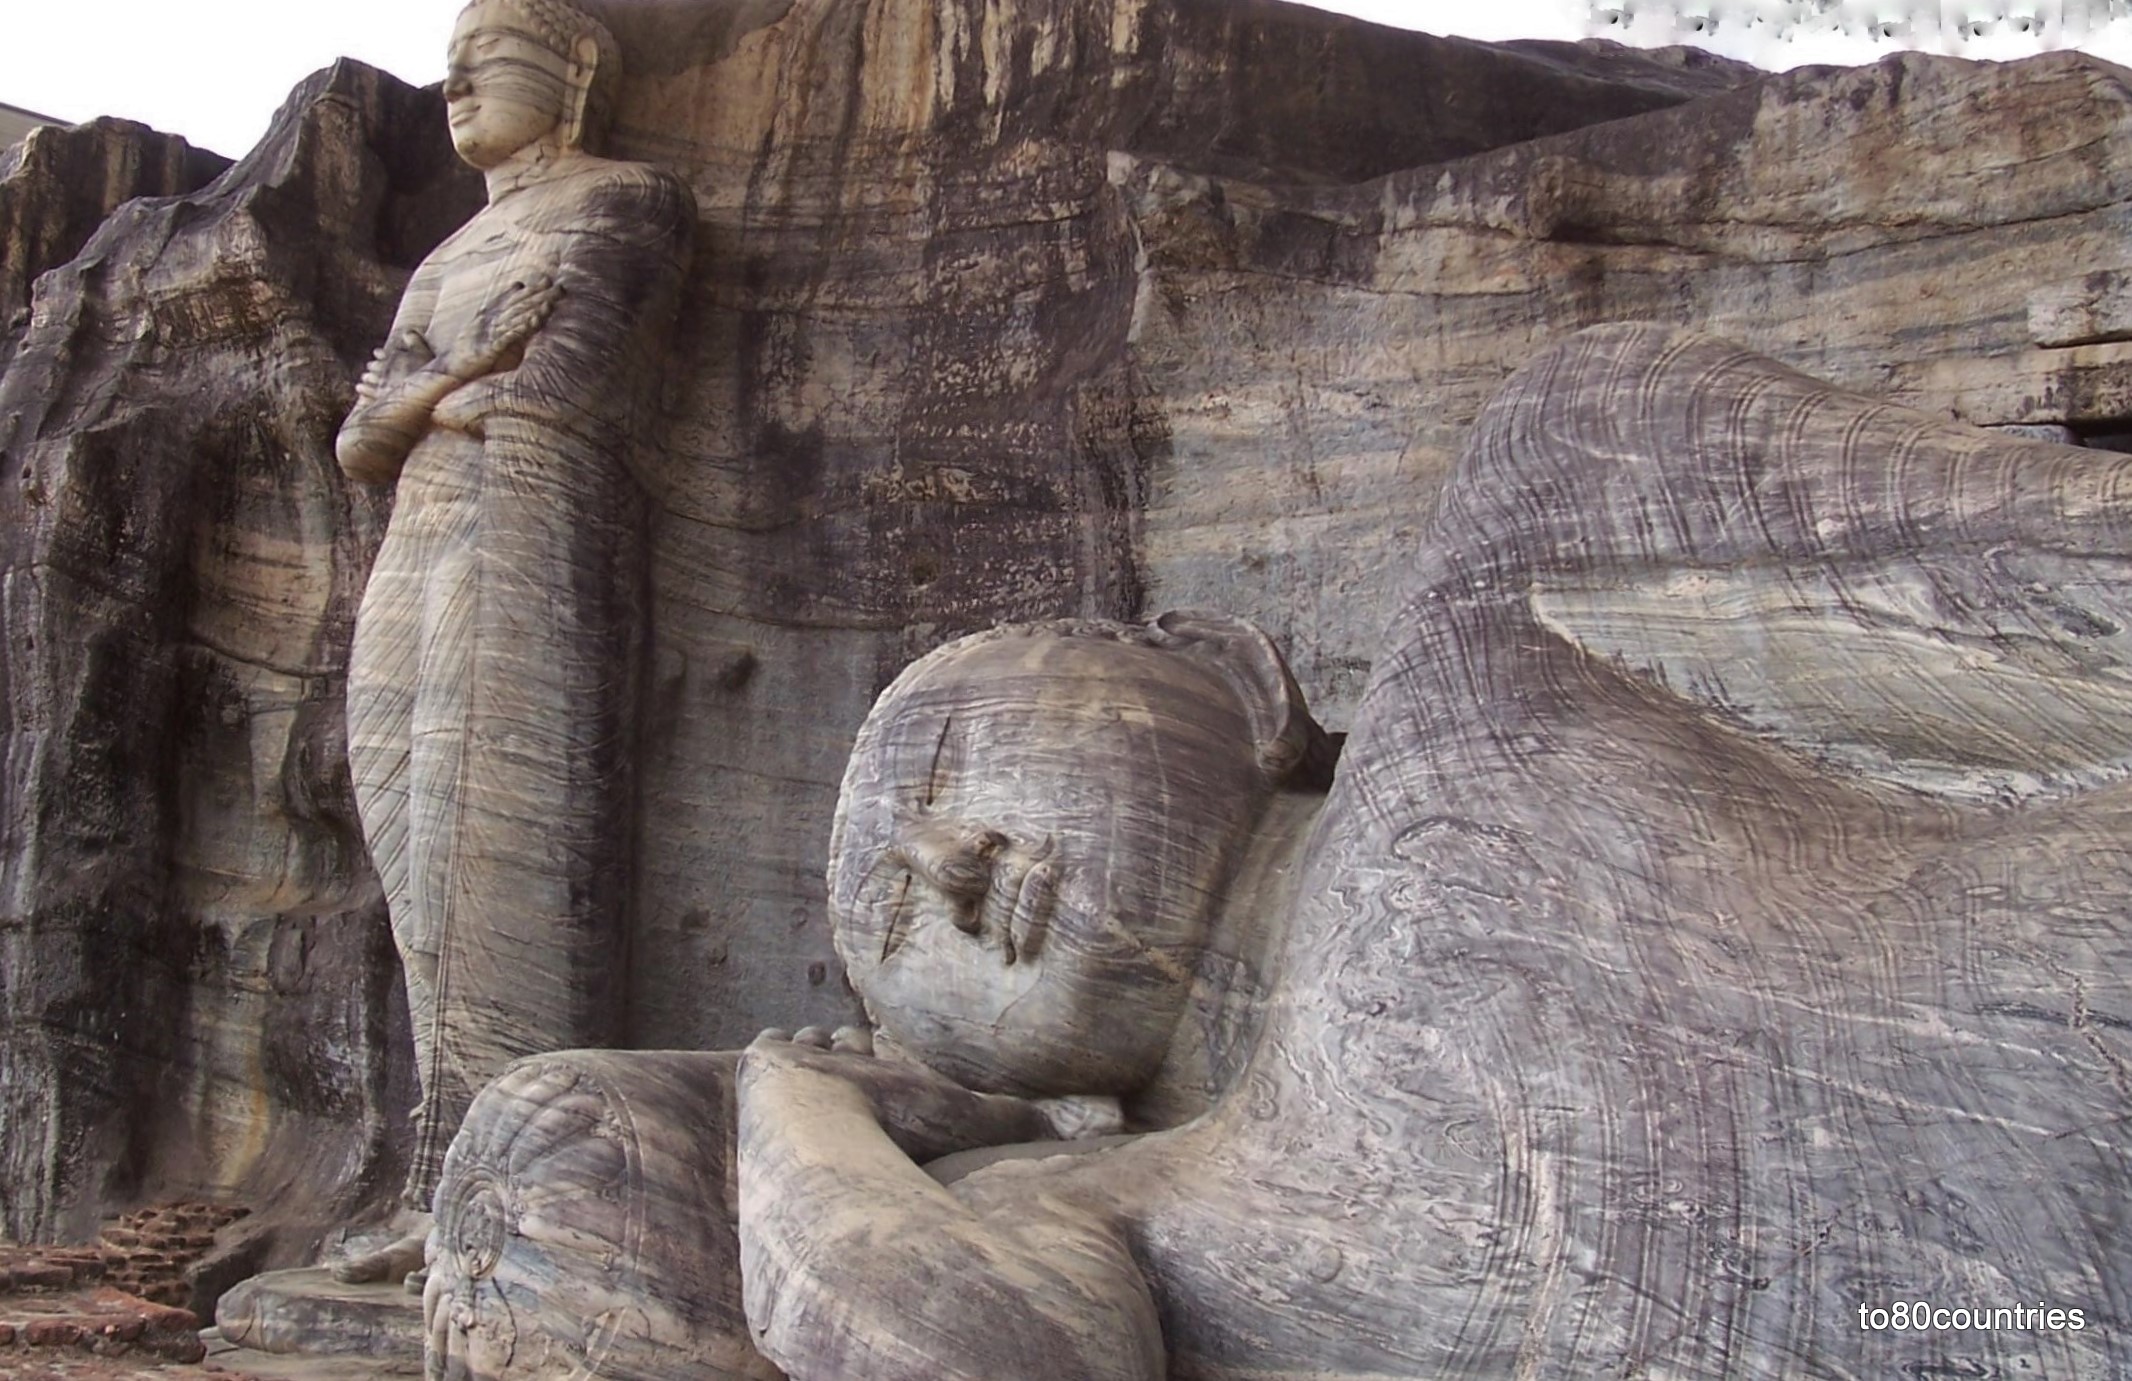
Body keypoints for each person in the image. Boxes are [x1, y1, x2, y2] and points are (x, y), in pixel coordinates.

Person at [332, 0, 693, 1287]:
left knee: (495, 852)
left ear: (576, 68)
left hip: (533, 529)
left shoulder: (629, 203)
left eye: (486, 56)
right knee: (412, 850)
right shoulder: (453, 252)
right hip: (421, 531)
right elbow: (361, 441)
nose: (453, 82)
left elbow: (560, 389)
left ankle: (519, 1186)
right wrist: (457, 375)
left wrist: (473, 388)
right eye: (448, 64)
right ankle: (439, 1176)